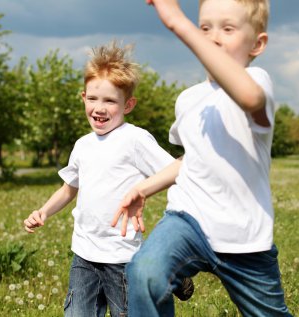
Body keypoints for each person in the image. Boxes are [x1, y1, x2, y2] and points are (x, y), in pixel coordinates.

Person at [112, 0, 293, 316]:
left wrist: (178, 22)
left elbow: (249, 98)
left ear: (258, 44)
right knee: (145, 272)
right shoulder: (188, 100)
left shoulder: (258, 82)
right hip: (188, 220)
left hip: (244, 238)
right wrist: (144, 188)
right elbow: (191, 159)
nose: (212, 37)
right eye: (205, 27)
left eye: (228, 28)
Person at [23, 41, 192, 317]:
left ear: (128, 104)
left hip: (122, 257)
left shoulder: (134, 139)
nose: (99, 108)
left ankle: (170, 271)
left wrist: (146, 192)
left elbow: (173, 170)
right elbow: (68, 189)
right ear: (83, 97)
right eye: (93, 99)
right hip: (84, 255)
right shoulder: (82, 145)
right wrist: (43, 211)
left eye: (110, 101)